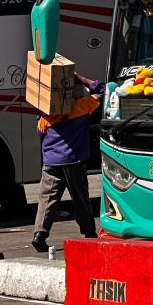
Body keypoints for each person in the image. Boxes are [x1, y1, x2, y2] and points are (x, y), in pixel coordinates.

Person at [32, 73, 102, 252]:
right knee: (80, 198)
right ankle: (89, 233)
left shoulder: (46, 116)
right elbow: (104, 91)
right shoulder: (82, 107)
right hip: (74, 160)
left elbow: (41, 135)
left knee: (47, 199)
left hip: (51, 162)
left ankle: (39, 234)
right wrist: (84, 79)